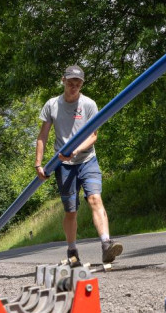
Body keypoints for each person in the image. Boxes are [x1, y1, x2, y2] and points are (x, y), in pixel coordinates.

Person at [35, 65, 123, 264]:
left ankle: (106, 245)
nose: (74, 86)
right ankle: (72, 250)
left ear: (82, 84)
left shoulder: (89, 105)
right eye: (70, 82)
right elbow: (43, 136)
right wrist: (38, 164)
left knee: (95, 198)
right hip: (63, 165)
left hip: (87, 159)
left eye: (78, 83)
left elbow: (93, 136)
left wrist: (75, 150)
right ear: (63, 81)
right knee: (71, 211)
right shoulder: (52, 105)